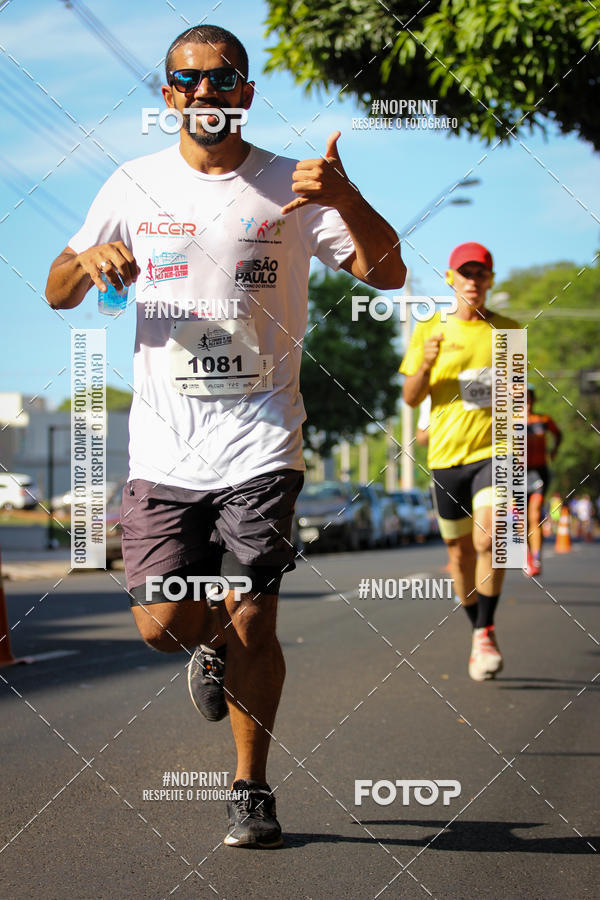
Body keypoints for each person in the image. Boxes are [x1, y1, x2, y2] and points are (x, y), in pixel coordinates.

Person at [45, 25, 405, 848]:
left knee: (256, 619)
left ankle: (251, 787)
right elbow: (58, 290)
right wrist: (90, 257)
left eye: (223, 79)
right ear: (167, 94)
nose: (206, 93)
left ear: (245, 91)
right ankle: (200, 649)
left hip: (262, 441)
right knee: (163, 624)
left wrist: (345, 198)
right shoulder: (131, 185)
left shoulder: (292, 184)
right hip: (165, 452)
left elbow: (389, 272)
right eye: (189, 80)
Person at [401, 242, 519, 681]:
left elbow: (519, 397)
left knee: (494, 540)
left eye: (481, 274)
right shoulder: (430, 329)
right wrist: (427, 366)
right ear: (451, 279)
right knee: (459, 552)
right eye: (465, 273)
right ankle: (476, 628)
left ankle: (486, 630)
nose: (473, 281)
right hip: (447, 456)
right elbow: (410, 397)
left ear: (490, 280)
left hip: (497, 449)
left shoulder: (508, 331)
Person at [525, 386, 562, 575]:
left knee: (534, 515)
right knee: (520, 519)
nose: (526, 402)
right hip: (517, 474)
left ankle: (537, 558)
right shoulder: (508, 421)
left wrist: (553, 451)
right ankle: (526, 555)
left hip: (539, 472)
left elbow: (559, 434)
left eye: (529, 398)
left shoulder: (544, 420)